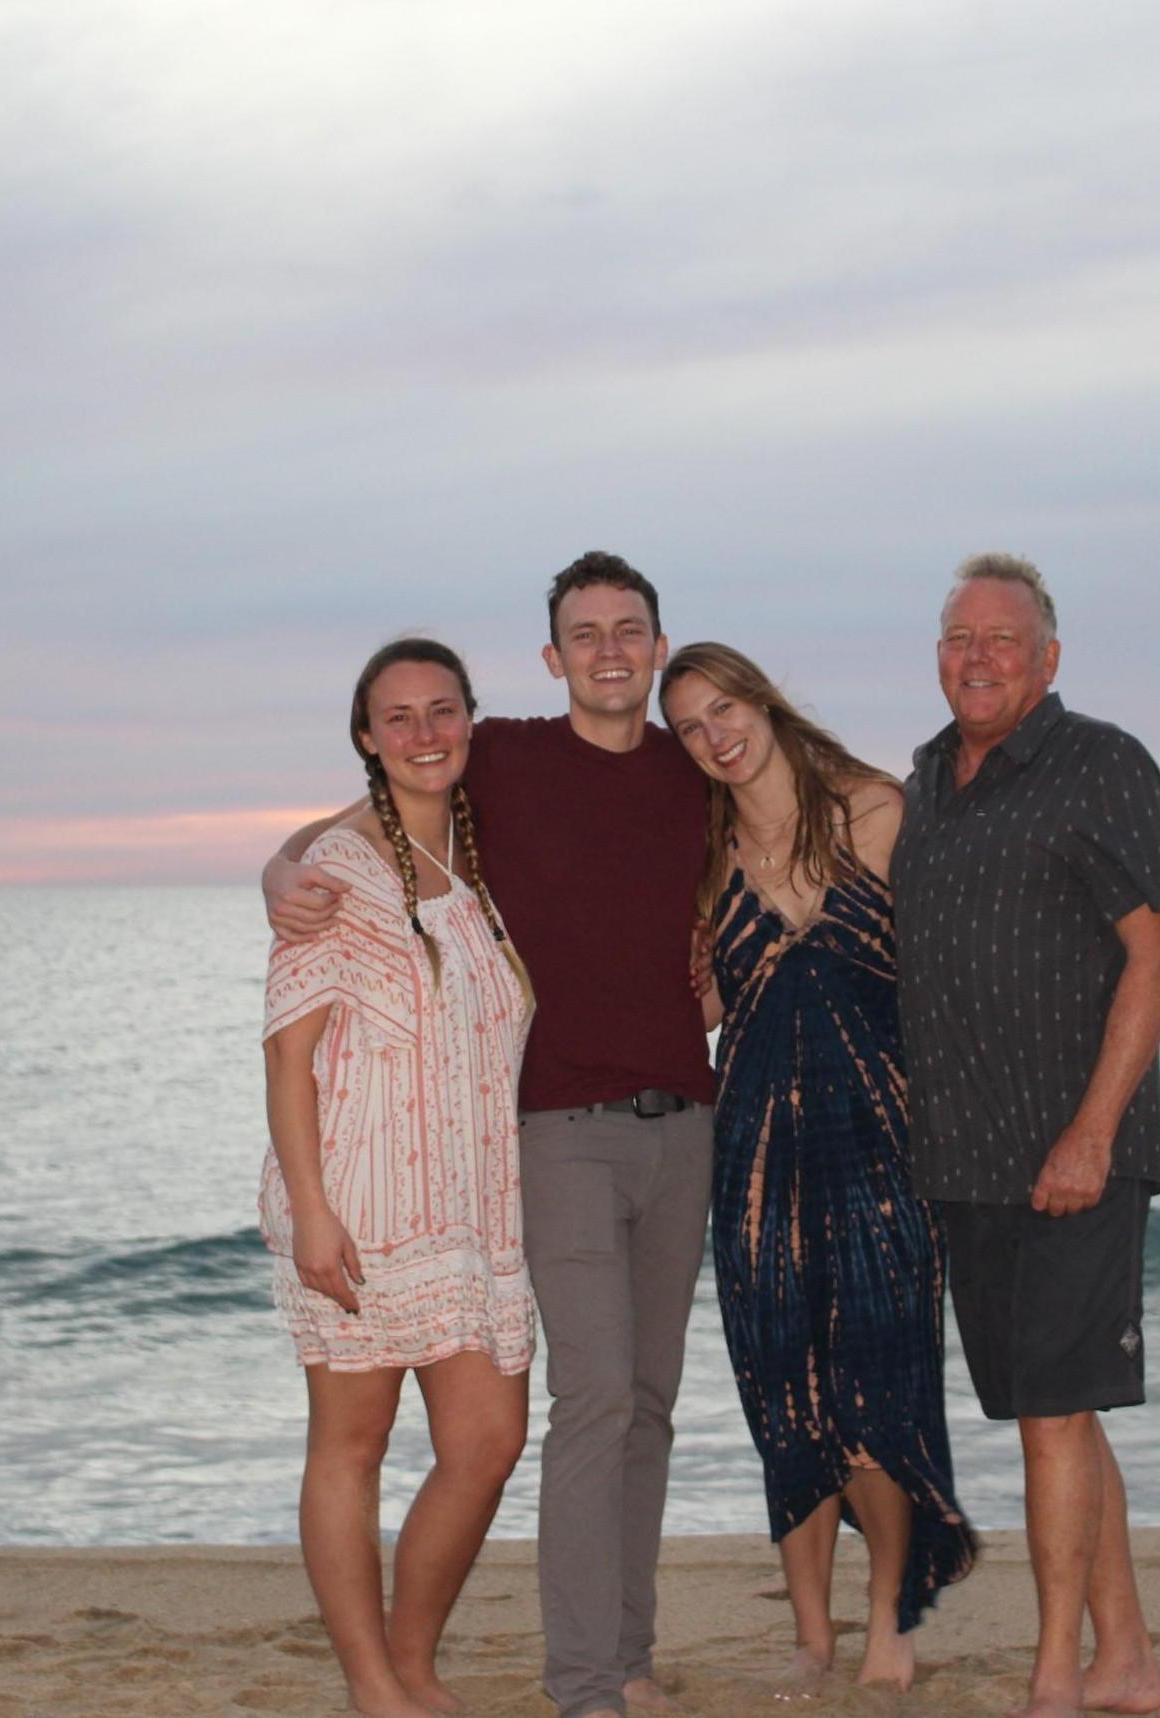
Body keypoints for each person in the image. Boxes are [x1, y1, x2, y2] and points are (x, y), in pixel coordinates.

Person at [263, 554, 714, 1718]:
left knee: (530, 1430)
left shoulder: (646, 783)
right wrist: (282, 859)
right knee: (402, 1434)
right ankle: (444, 1680)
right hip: (414, 1183)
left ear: (657, 646)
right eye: (583, 631)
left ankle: (451, 1660)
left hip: (501, 1188)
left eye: (629, 629)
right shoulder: (419, 814)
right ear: (550, 655)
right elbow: (287, 1044)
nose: (425, 732)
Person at [891, 554, 1160, 1718]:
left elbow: (1155, 955)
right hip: (965, 1159)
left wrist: (1091, 1132)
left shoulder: (1097, 762)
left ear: (1047, 658)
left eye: (1000, 639)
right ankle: (1129, 1659)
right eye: (957, 635)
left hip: (1073, 1155)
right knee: (1050, 1410)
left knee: (1056, 1417)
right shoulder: (924, 780)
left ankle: (1055, 1676)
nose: (974, 655)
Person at [659, 642, 976, 1696]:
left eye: (725, 706)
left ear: (761, 697)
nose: (716, 734)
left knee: (878, 1391)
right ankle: (810, 1630)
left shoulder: (875, 812)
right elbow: (700, 1016)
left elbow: (946, 980)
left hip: (881, 1145)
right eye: (692, 726)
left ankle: (890, 1615)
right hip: (753, 1157)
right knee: (782, 1395)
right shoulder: (700, 862)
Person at [260, 637, 535, 1718]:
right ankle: (376, 1683)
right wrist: (314, 1213)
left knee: (486, 1441)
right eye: (399, 716)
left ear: (470, 717)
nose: (424, 733)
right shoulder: (337, 869)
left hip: (471, 1207)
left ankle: (414, 1659)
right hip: (361, 1206)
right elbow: (287, 1053)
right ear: (366, 738)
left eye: (441, 710)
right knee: (352, 1442)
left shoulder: (482, 859)